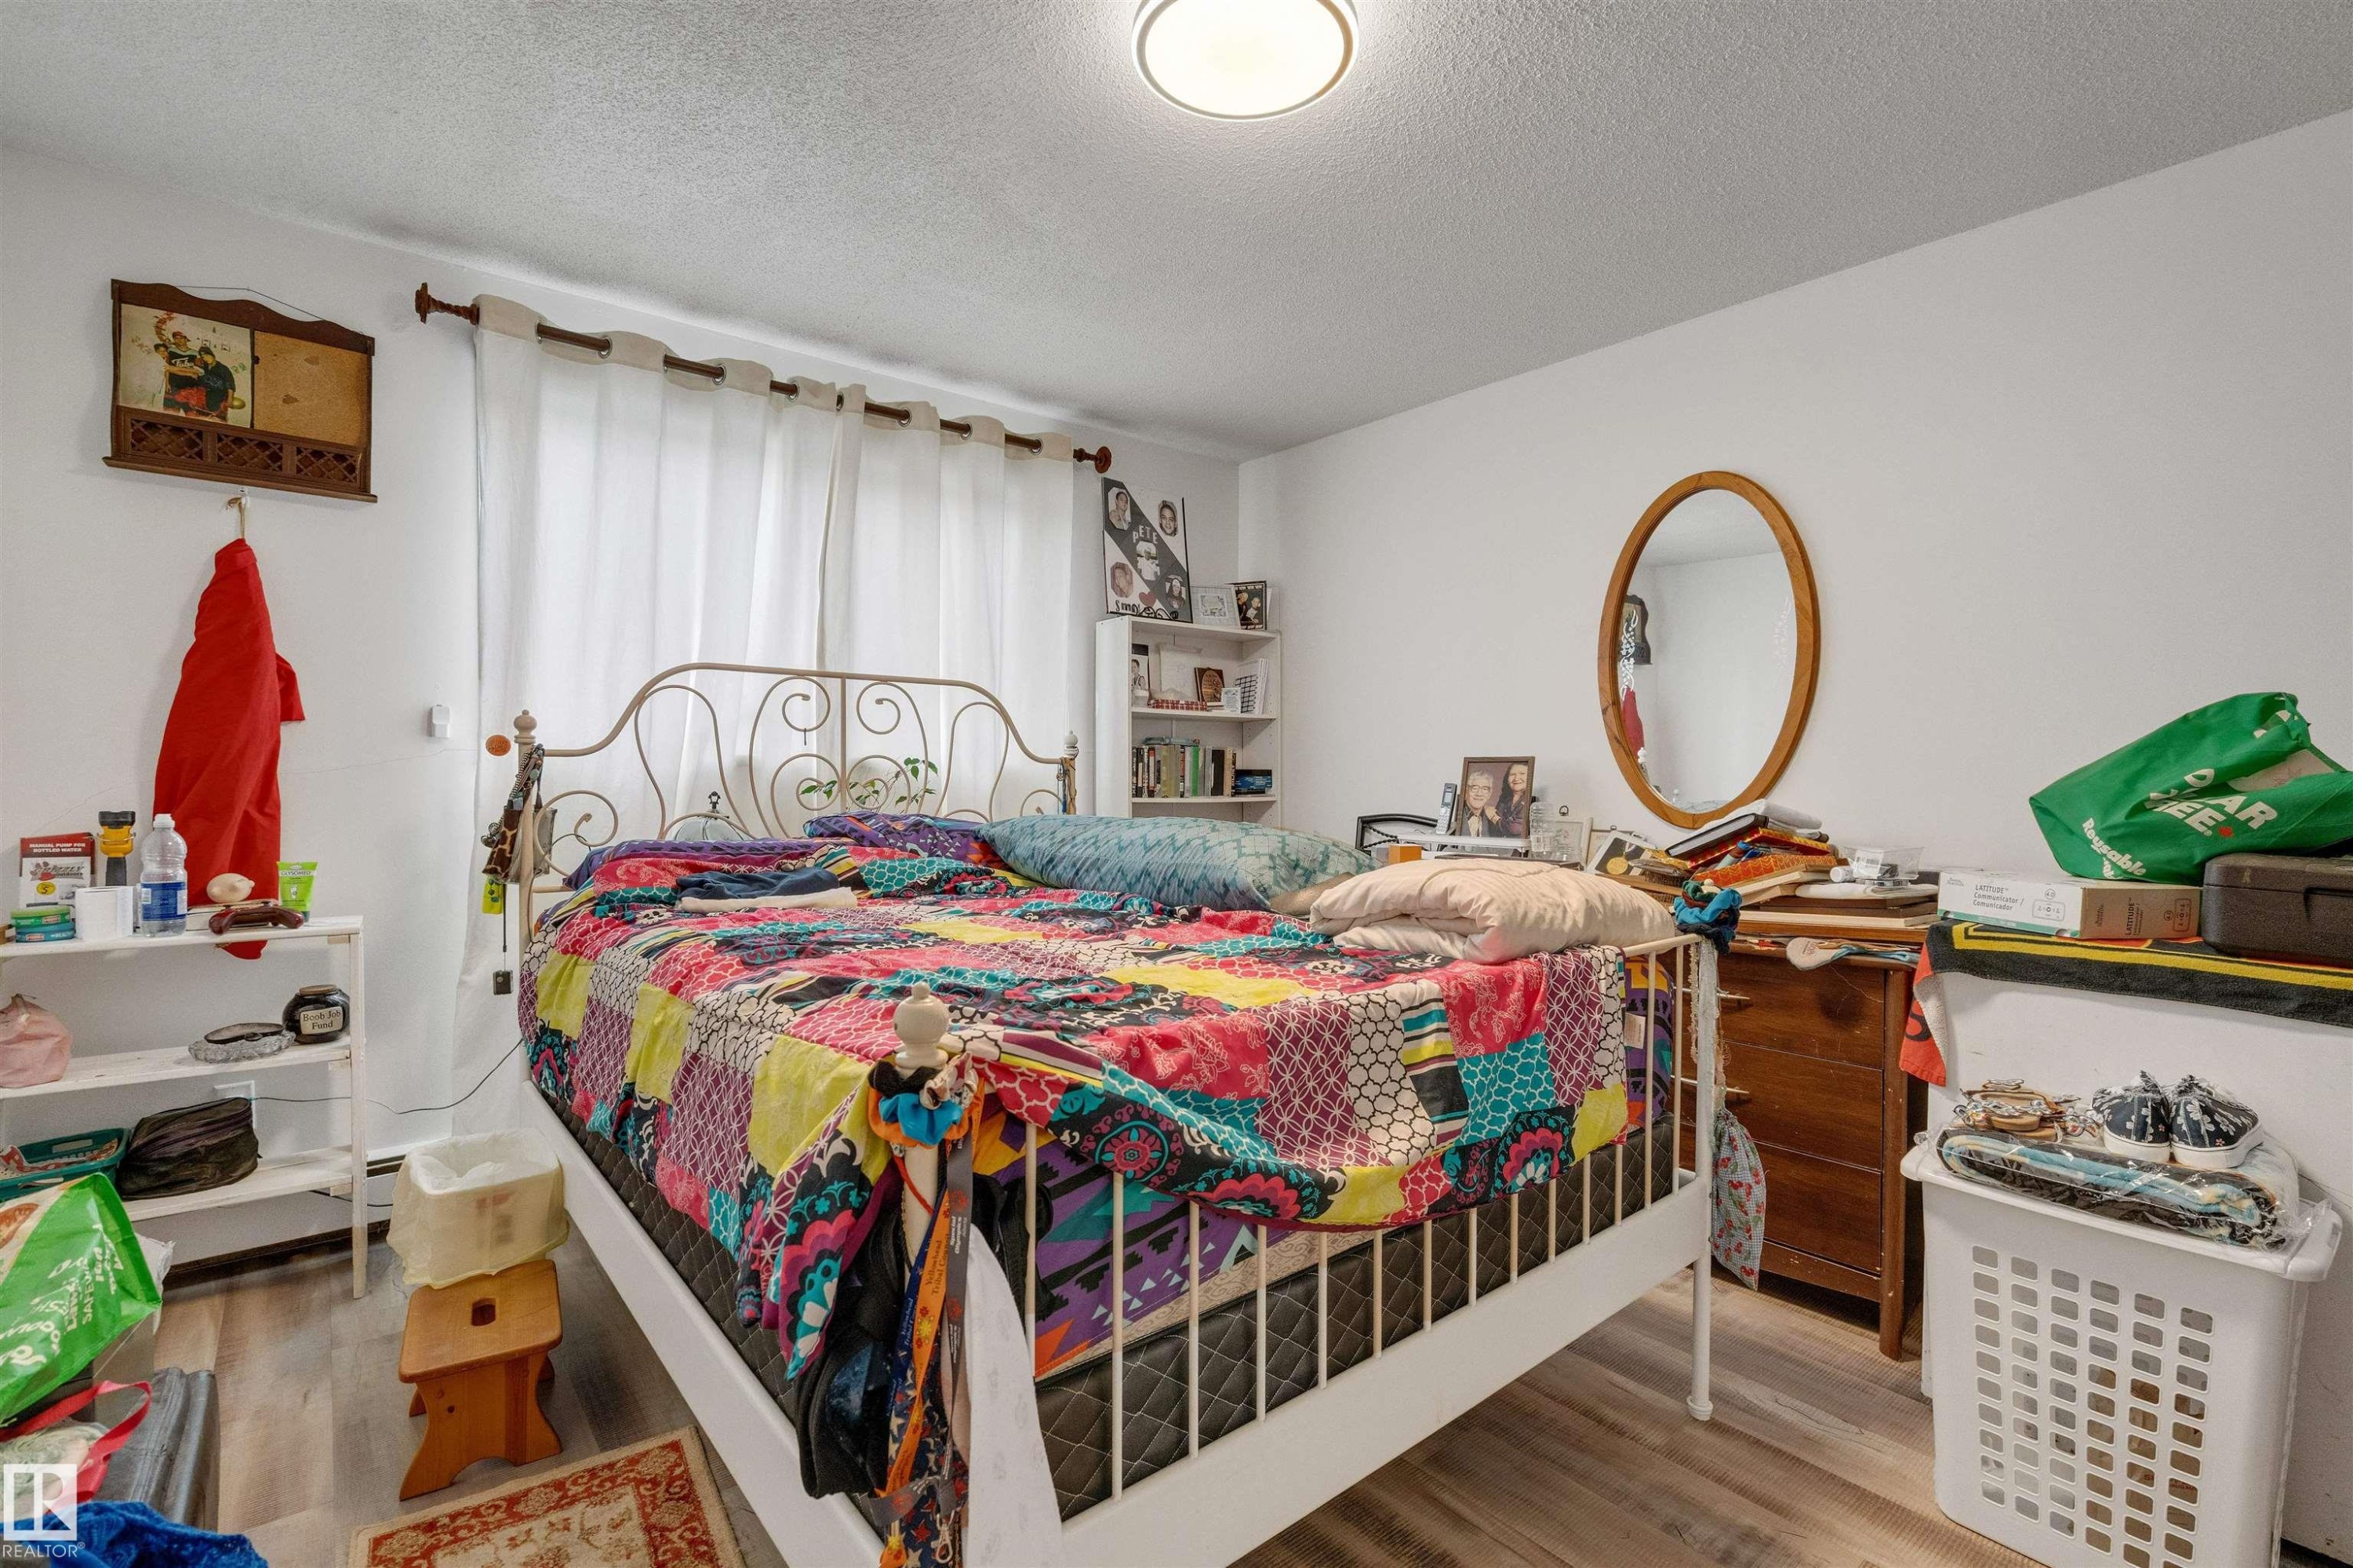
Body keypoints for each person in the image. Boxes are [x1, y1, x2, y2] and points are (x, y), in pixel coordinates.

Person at [1456, 768, 1504, 836]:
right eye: (1475, 788)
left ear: (1489, 794)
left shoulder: (1492, 821)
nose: (1479, 794)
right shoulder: (1456, 815)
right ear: (1467, 791)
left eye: (1485, 789)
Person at [1497, 760, 1533, 838]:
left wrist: (1494, 818)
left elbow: (1514, 829)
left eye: (1522, 774)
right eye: (1512, 774)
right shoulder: (1504, 799)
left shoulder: (1531, 801)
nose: (1516, 778)